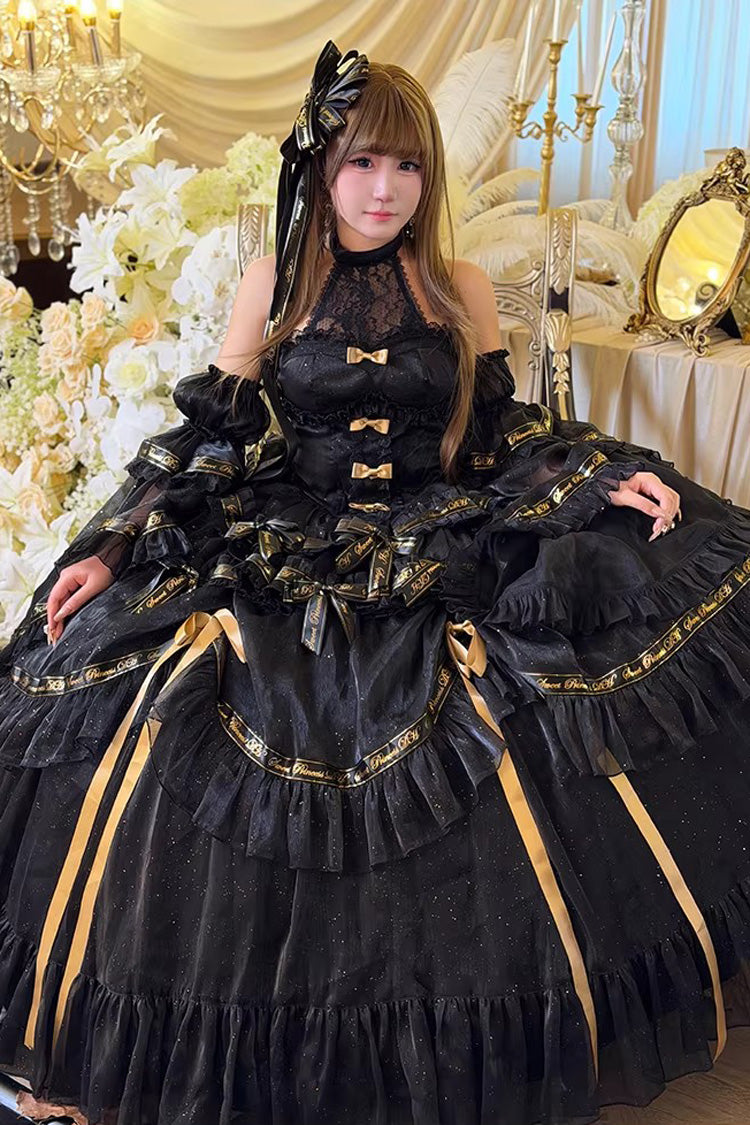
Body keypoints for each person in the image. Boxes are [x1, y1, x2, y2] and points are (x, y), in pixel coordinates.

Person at [1, 37, 749, 1125]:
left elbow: (498, 432)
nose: (385, 188)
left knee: (531, 688)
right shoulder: (273, 283)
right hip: (283, 540)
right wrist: (112, 546)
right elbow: (212, 436)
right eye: (361, 162)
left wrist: (598, 477)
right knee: (176, 698)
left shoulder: (459, 286)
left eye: (406, 165)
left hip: (435, 534)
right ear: (322, 166)